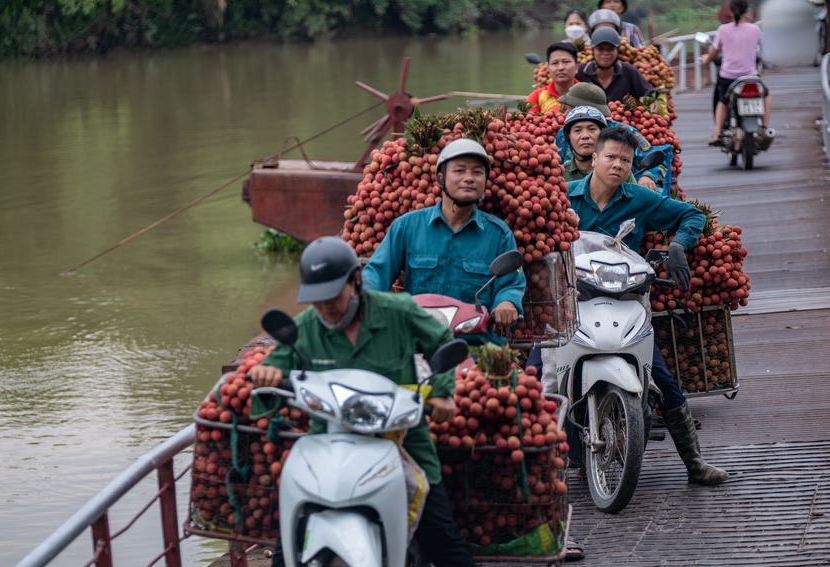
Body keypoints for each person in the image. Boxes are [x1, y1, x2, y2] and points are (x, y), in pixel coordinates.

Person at [251, 236, 477, 567]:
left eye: (333, 295)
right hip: (328, 442)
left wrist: (442, 391)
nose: (326, 306)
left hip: (402, 440)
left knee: (445, 544)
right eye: (316, 299)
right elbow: (275, 370)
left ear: (355, 280)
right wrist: (267, 376)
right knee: (287, 550)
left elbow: (442, 340)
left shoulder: (397, 311)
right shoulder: (305, 328)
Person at [528, 127, 730, 487]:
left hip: (623, 306)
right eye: (611, 157)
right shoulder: (563, 197)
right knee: (534, 381)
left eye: (625, 160)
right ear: (594, 158)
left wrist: (679, 246)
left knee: (664, 382)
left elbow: (692, 216)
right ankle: (533, 473)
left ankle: (694, 462)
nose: (617, 164)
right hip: (568, 306)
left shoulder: (640, 199)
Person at [362, 138, 526, 340]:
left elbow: (511, 284)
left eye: (477, 172)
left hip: (476, 345)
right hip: (416, 341)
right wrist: (365, 298)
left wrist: (506, 304)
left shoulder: (499, 234)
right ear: (441, 177)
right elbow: (376, 273)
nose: (469, 178)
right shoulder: (407, 227)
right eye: (459, 171)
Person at [557, 84, 673, 193]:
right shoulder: (563, 135)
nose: (565, 112)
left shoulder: (623, 133)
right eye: (577, 130)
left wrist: (648, 176)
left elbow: (657, 159)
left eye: (570, 108)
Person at [702, 0, 771, 146]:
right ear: (746, 11)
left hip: (729, 77)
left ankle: (717, 133)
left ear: (730, 12)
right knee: (766, 95)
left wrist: (706, 59)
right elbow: (766, 50)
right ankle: (764, 128)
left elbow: (714, 53)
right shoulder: (755, 30)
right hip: (751, 77)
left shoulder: (723, 30)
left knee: (722, 101)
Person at [577, 27, 653, 102]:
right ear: (593, 51)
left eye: (610, 49)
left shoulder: (628, 71)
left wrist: (651, 111)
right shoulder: (581, 71)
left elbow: (651, 96)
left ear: (618, 51)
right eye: (600, 49)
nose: (606, 53)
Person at [526, 42, 580, 114]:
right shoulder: (536, 97)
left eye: (566, 62)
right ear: (548, 68)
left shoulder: (588, 95)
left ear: (576, 67)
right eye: (555, 63)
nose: (560, 68)